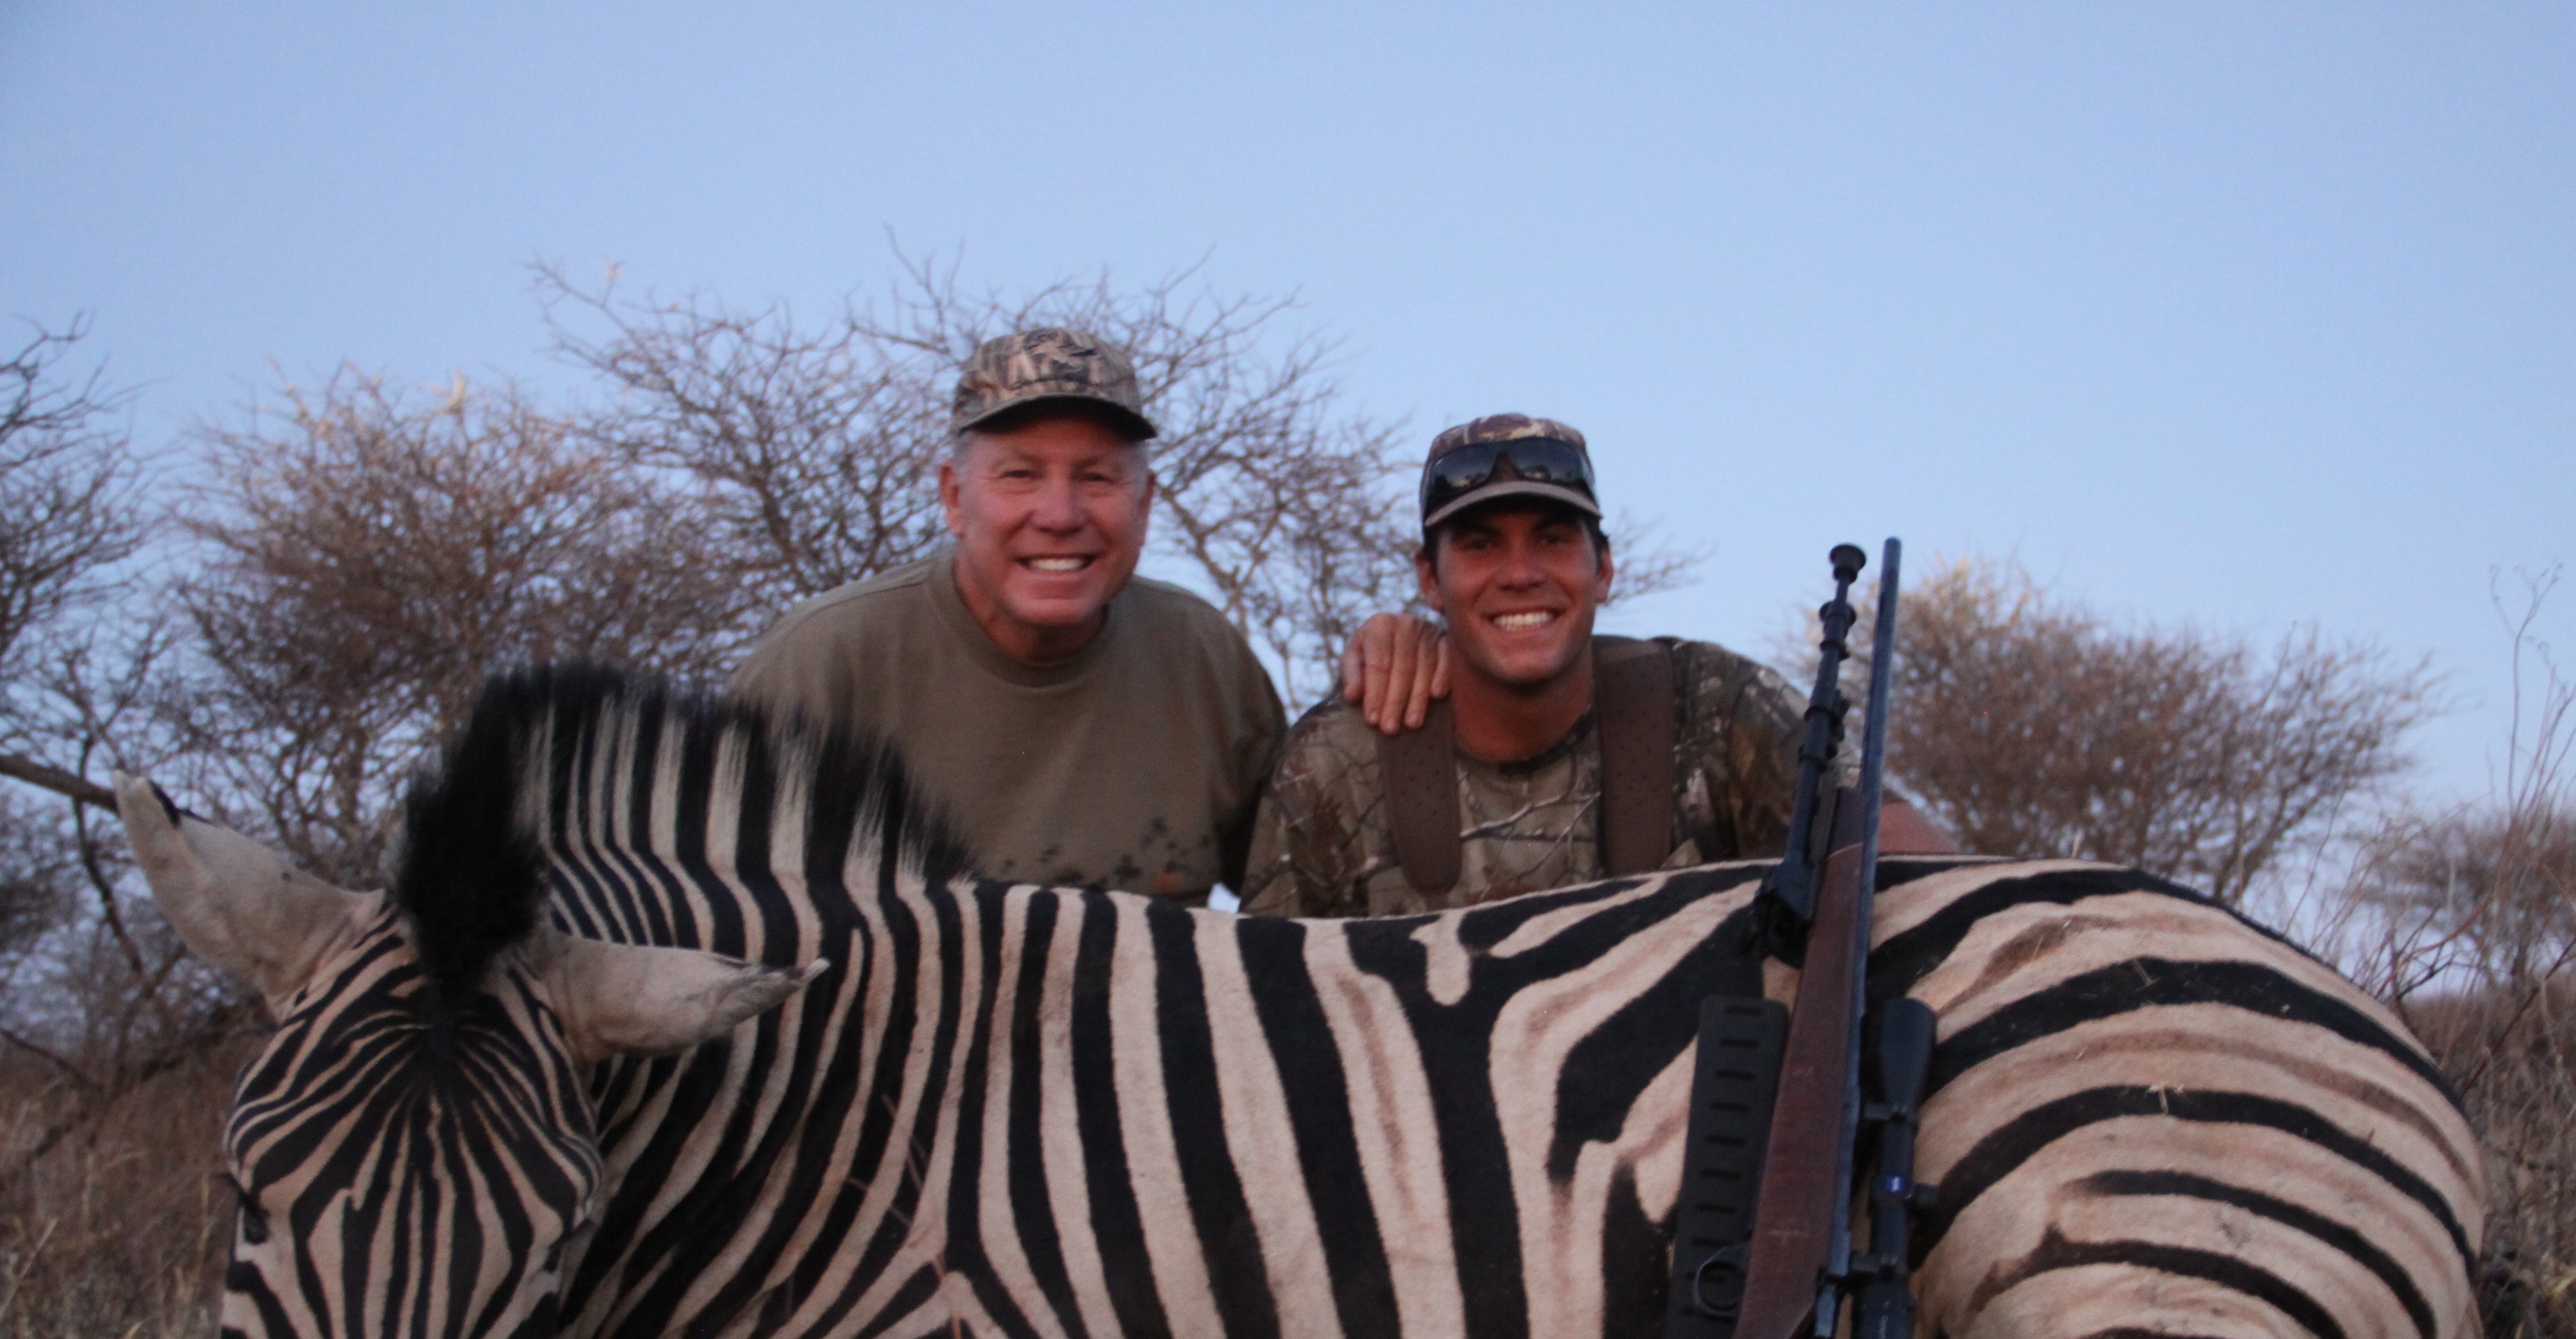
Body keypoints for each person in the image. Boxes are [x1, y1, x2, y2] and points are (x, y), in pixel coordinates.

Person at [732, 327, 1441, 905]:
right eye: (1020, 475)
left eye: (1097, 478)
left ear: (1144, 504)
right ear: (953, 497)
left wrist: (1424, 656)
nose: (1061, 515)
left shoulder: (1201, 655)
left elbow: (1315, 883)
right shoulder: (820, 666)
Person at [1240, 414, 1954, 917]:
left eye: (1552, 539)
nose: (1521, 574)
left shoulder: (1713, 706)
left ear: (1605, 569)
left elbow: (1929, 877)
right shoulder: (1336, 760)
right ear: (1429, 579)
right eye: (1482, 545)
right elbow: (1267, 1010)